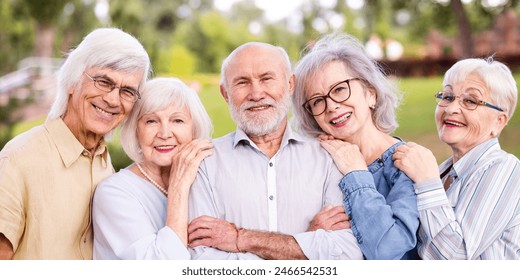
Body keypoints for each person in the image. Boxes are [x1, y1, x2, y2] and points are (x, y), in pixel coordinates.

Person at [186, 42, 363, 260]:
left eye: (266, 78)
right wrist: (307, 241)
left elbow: (345, 254)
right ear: (225, 93)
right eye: (242, 82)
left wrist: (241, 239)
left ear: (290, 84)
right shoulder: (205, 161)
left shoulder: (328, 154)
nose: (256, 93)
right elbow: (203, 261)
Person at [0, 27, 151, 259]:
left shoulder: (104, 163)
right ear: (72, 81)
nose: (112, 99)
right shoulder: (18, 161)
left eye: (127, 91)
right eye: (103, 81)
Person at [292, 33, 419, 260]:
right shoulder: (316, 164)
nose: (331, 106)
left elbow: (388, 250)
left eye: (340, 89)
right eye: (317, 101)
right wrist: (312, 235)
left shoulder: (407, 164)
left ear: (370, 94)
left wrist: (356, 173)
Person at [393, 57, 520, 260]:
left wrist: (427, 182)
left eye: (470, 101)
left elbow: (456, 258)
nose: (451, 109)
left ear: (499, 121)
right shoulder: (442, 172)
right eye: (448, 96)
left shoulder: (505, 169)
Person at [92, 77, 213, 259]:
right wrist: (178, 189)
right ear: (135, 131)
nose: (164, 133)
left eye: (177, 121)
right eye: (151, 121)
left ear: (194, 130)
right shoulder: (114, 193)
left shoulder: (206, 179)